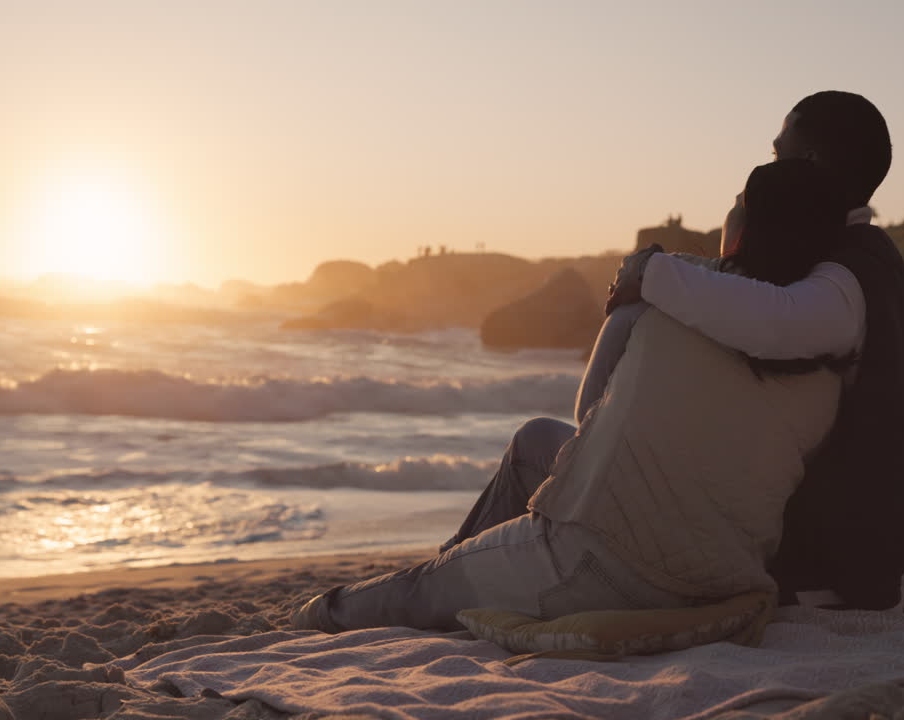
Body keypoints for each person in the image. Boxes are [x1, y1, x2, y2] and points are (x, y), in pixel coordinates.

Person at [293, 159, 851, 632]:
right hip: (725, 576)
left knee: (412, 593)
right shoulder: (832, 354)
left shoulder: (671, 290)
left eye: (735, 209)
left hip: (596, 563)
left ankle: (320, 614)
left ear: (745, 229)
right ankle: (457, 558)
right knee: (535, 440)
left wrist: (631, 301)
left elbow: (590, 414)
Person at [608, 91, 904, 610]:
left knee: (545, 449)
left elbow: (776, 322)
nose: (766, 167)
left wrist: (649, 274)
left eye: (775, 152)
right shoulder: (863, 259)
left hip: (835, 557)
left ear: (807, 161)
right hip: (873, 542)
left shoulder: (847, 275)